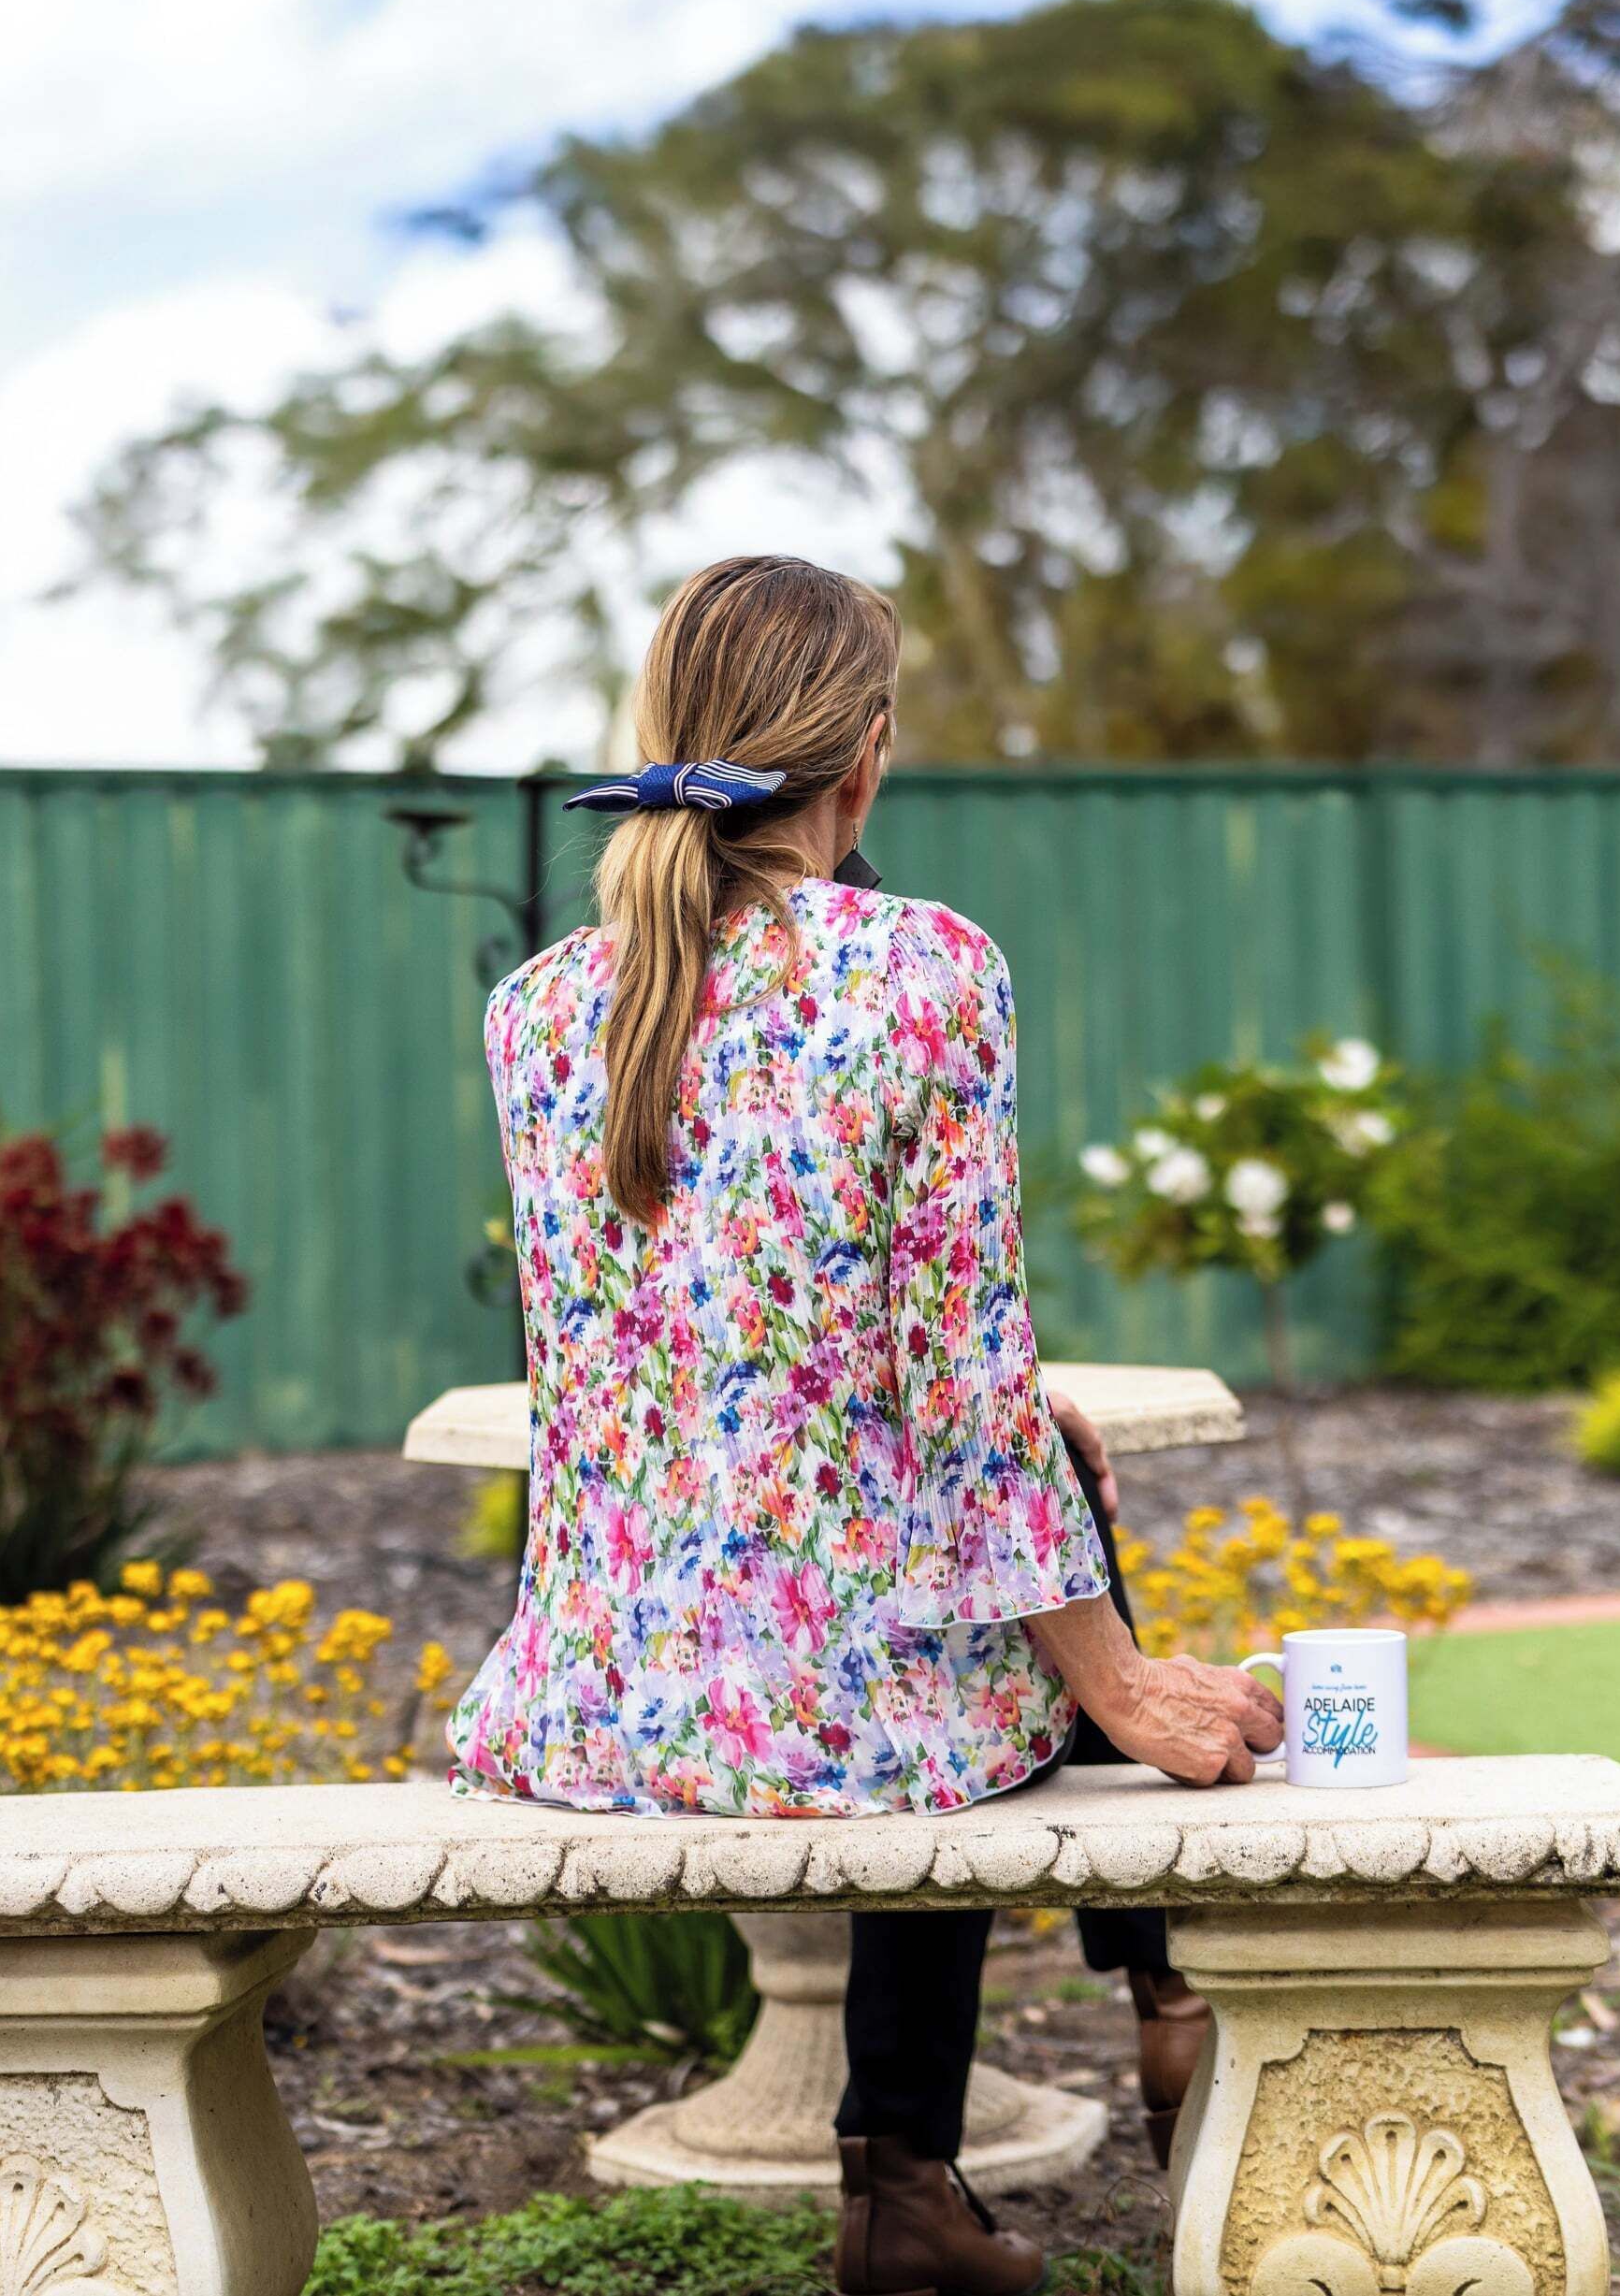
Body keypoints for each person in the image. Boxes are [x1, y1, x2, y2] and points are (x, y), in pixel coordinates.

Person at [444, 555, 1282, 2296]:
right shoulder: (922, 969)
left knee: (992, 1499)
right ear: (867, 757)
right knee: (972, 1550)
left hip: (591, 1696)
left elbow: (647, 1356)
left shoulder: (535, 1007)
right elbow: (962, 1403)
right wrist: (1121, 1683)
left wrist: (1017, 1427)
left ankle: (967, 2154)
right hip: (838, 1710)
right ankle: (1094, 2036)